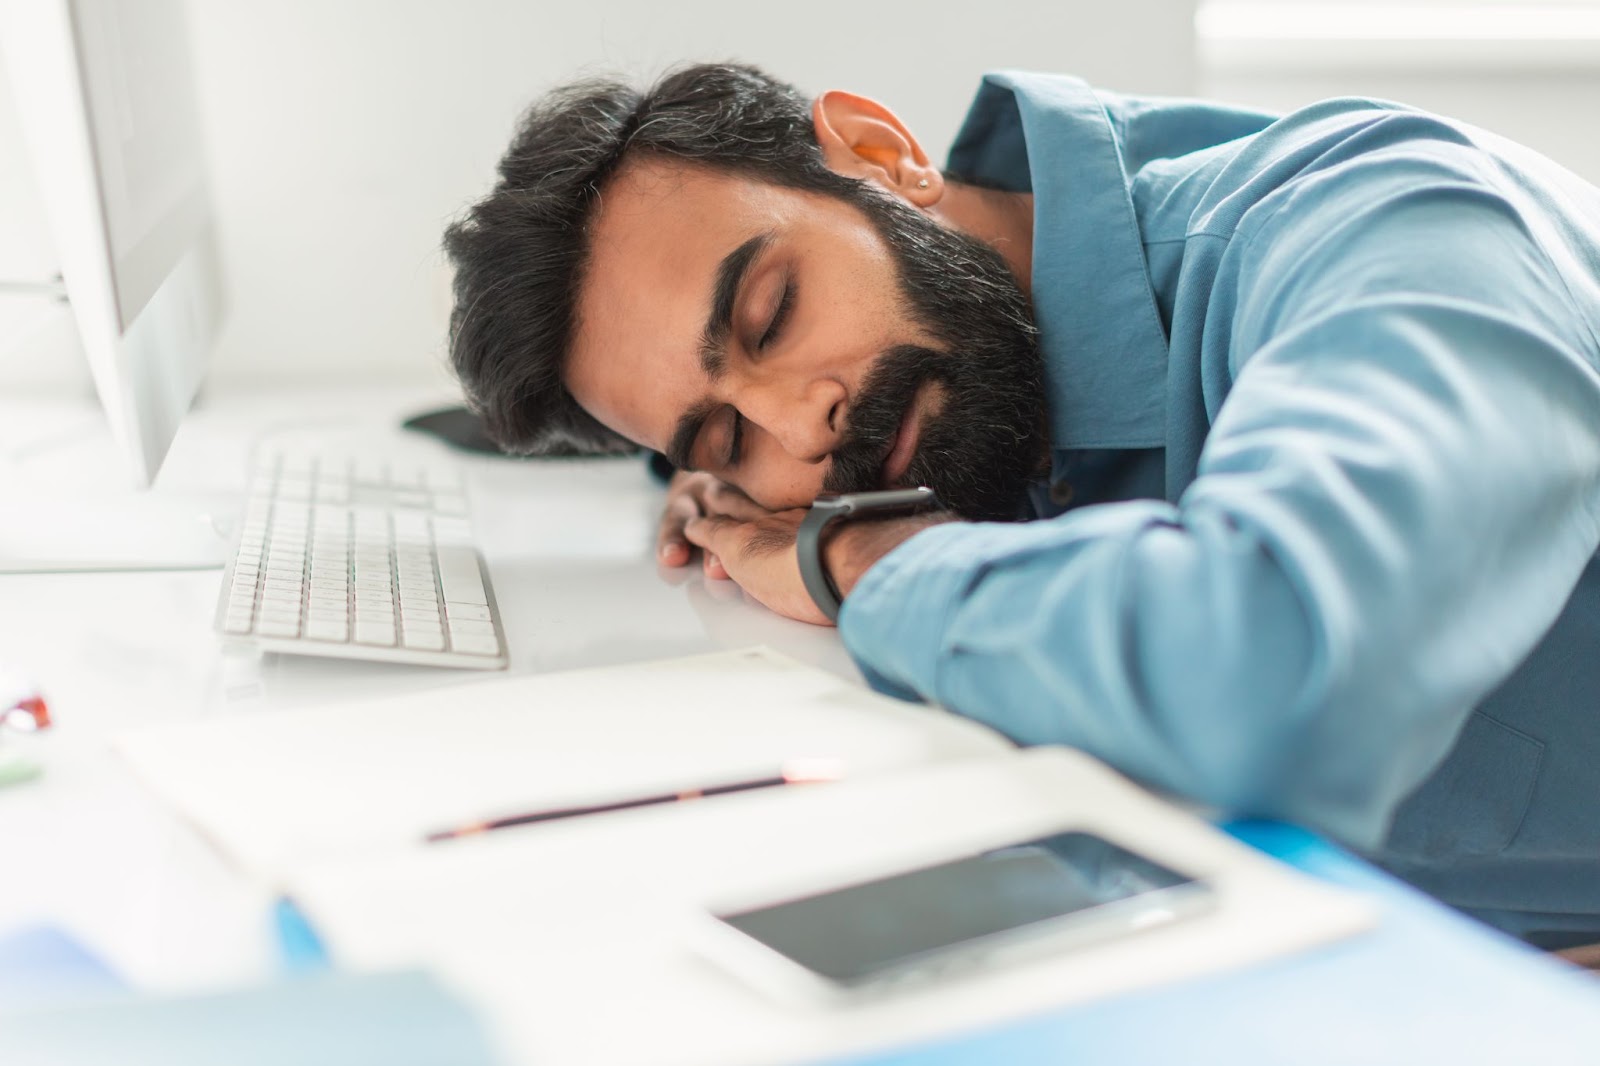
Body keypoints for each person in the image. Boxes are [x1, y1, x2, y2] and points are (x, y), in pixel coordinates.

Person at [443, 63, 1600, 947]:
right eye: (723, 432)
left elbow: (1270, 664)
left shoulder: (1385, 221)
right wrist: (697, 469)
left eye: (771, 314)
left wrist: (856, 558)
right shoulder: (953, 374)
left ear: (882, 154)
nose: (803, 428)